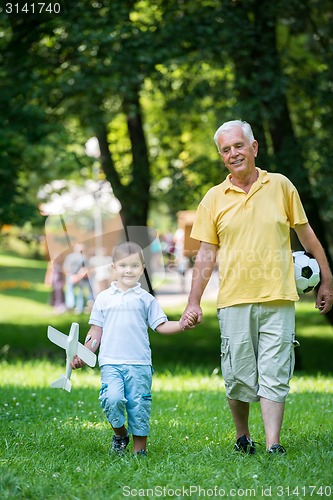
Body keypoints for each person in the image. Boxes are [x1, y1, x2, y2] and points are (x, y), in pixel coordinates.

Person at [181, 120, 333, 454]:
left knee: (276, 370)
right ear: (222, 157)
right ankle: (242, 437)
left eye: (238, 146)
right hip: (234, 300)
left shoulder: (280, 186)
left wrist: (327, 279)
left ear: (254, 147)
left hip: (279, 297)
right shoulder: (213, 199)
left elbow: (307, 236)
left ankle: (273, 444)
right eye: (226, 149)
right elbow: (206, 254)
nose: (233, 153)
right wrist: (194, 301)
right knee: (237, 377)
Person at [71, 241, 195, 457]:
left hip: (139, 363)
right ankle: (120, 434)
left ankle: (140, 452)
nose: (128, 270)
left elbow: (161, 325)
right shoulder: (103, 298)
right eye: (123, 265)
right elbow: (95, 332)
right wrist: (85, 352)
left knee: (139, 407)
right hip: (111, 362)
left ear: (143, 269)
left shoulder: (146, 299)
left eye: (134, 266)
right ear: (114, 268)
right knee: (112, 399)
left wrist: (182, 324)